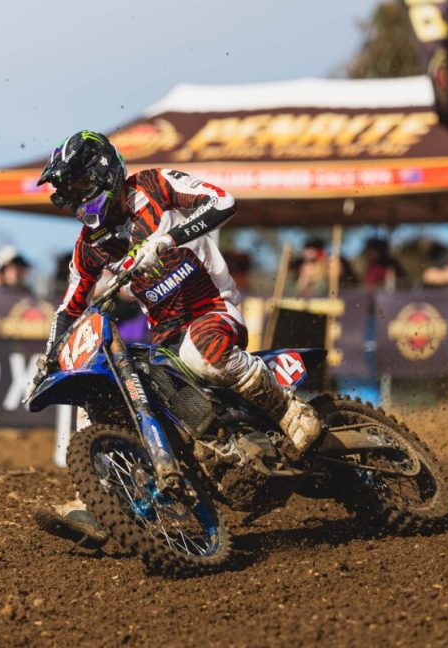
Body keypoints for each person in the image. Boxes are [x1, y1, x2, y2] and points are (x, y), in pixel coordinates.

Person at [27, 131, 322, 537]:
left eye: (79, 186)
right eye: (69, 191)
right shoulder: (90, 245)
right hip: (166, 337)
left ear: (102, 174)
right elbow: (70, 306)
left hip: (212, 308)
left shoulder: (154, 186)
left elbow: (222, 201)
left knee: (204, 353)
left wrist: (167, 239)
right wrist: (48, 358)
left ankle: (290, 411)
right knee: (97, 391)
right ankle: (97, 497)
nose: (76, 198)